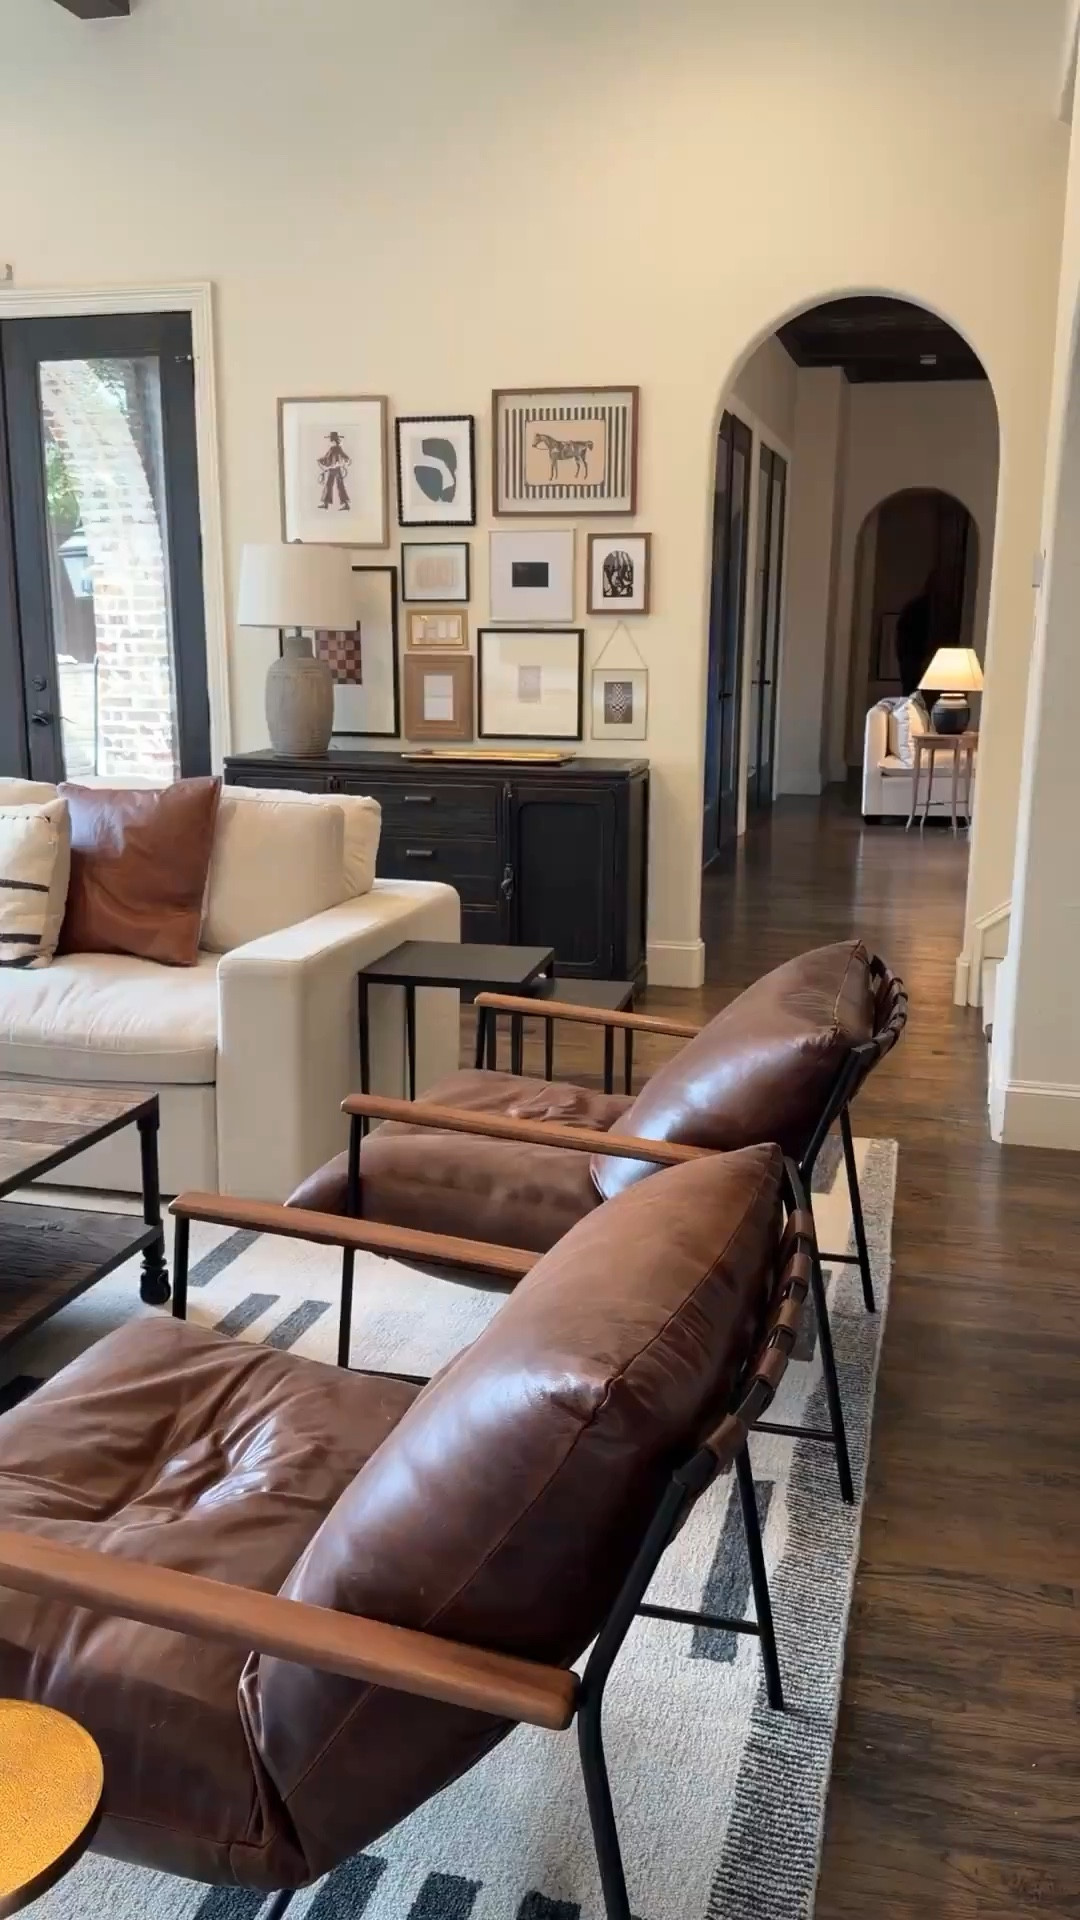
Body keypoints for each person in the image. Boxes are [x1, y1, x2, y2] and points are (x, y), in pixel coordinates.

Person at [318, 432, 352, 512]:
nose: (330, 441)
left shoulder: (333, 448)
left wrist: (320, 460)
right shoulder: (337, 448)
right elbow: (345, 457)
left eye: (330, 439)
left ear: (333, 440)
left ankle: (326, 504)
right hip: (336, 469)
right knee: (338, 486)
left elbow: (326, 457)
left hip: (333, 469)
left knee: (330, 485)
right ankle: (345, 504)